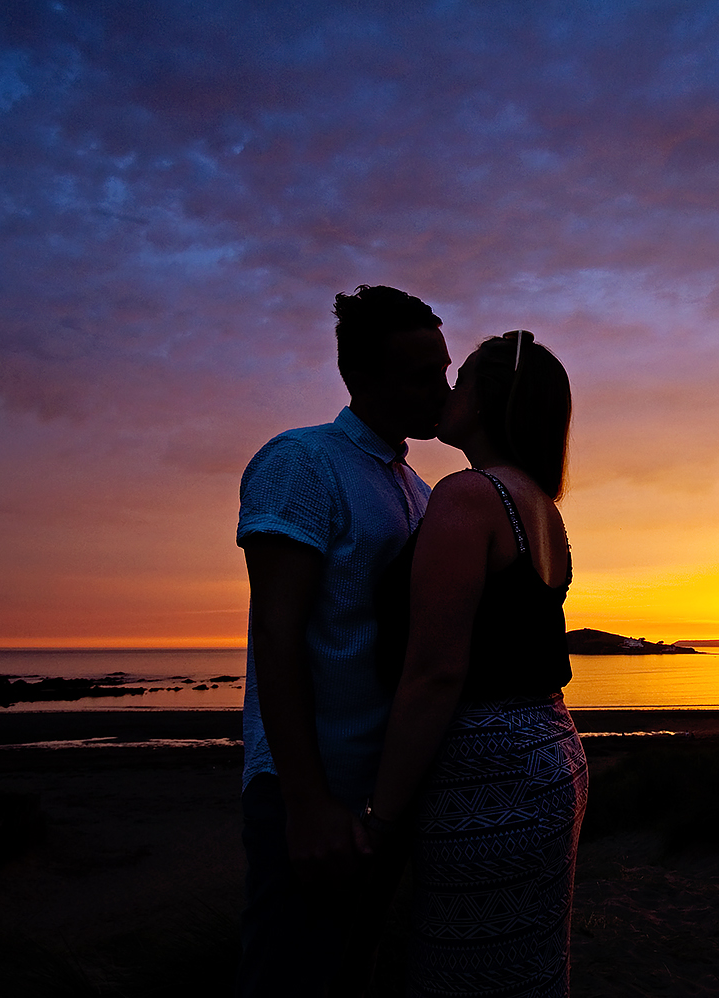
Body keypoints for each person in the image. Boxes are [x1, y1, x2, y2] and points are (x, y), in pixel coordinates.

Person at [237, 285, 451, 997]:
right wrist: (306, 802)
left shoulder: (417, 486)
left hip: (378, 796)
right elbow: (277, 630)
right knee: (291, 980)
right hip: (310, 793)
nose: (441, 391)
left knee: (352, 975)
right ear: (362, 379)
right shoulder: (301, 462)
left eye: (445, 371)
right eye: (422, 375)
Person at [366, 330, 588, 998]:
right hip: (551, 753)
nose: (444, 392)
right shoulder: (542, 507)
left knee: (461, 973)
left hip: (489, 777)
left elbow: (435, 671)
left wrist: (382, 817)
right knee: (524, 971)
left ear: (489, 399)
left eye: (459, 379)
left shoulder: (469, 495)